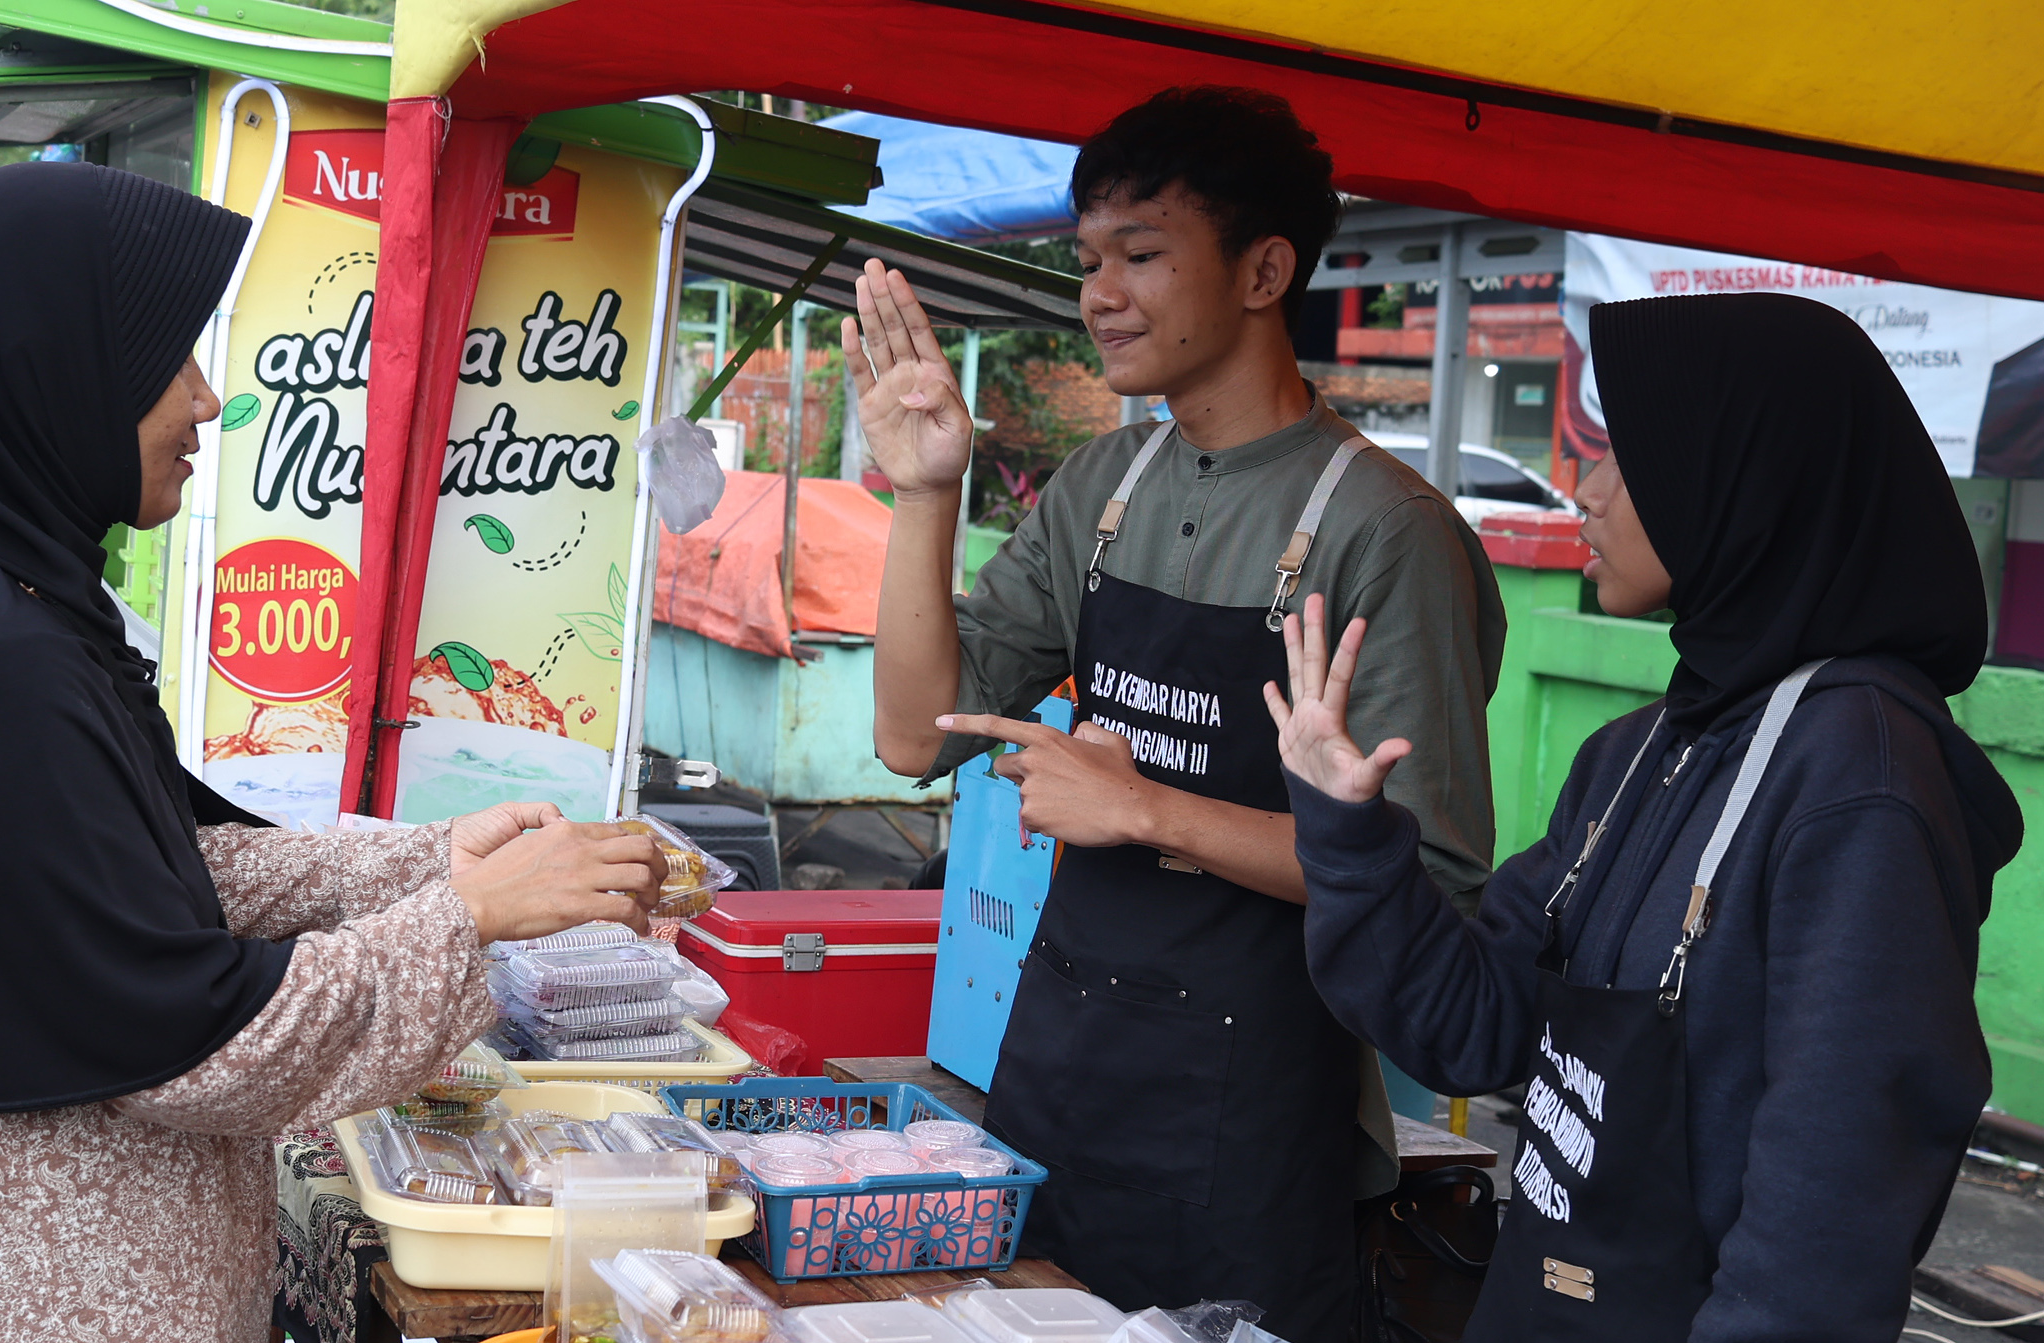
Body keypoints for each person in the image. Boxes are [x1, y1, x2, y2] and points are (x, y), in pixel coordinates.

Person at [0, 161, 667, 1343]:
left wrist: (430, 858)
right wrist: (464, 915)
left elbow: (151, 876)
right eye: (169, 359)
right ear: (50, 368)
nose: (206, 400)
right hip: (33, 1301)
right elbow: (189, 1026)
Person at [855, 87, 1505, 1335]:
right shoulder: (1101, 481)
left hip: (1253, 1117)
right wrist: (924, 494)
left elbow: (1424, 883)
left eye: (1142, 255)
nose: (1099, 291)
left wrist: (1143, 806)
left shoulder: (1386, 532)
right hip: (1056, 1073)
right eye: (1088, 258)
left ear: (1264, 269)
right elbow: (910, 737)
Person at [1271, 292, 2020, 1342]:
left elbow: (1828, 1217)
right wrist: (1347, 832)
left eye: (1626, 453)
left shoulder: (1860, 783)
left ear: (1743, 478)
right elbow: (1474, 1025)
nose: (1584, 490)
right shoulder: (1643, 750)